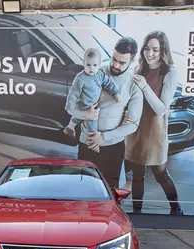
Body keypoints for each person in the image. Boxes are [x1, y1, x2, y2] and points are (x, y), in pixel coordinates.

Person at [65, 37, 144, 188]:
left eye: (122, 63)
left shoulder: (134, 87)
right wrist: (84, 116)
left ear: (132, 62)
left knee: (109, 192)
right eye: (114, 59)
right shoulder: (93, 72)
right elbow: (71, 107)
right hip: (86, 143)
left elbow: (133, 124)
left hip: (112, 148)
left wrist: (103, 137)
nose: (115, 65)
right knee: (83, 190)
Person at [124, 30, 183, 215]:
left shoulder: (170, 73)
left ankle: (176, 209)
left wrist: (144, 86)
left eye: (155, 50)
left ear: (163, 51)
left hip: (155, 131)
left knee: (161, 174)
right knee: (137, 175)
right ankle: (137, 212)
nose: (150, 53)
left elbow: (161, 109)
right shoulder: (140, 69)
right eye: (147, 49)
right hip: (136, 129)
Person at [63, 48, 122, 154]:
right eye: (88, 65)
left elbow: (109, 84)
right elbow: (73, 93)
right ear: (83, 64)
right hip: (84, 105)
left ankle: (70, 127)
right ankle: (93, 144)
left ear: (99, 65)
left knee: (77, 118)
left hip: (91, 103)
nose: (91, 68)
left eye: (94, 65)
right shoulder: (80, 78)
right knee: (92, 124)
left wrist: (116, 93)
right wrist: (70, 105)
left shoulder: (100, 75)